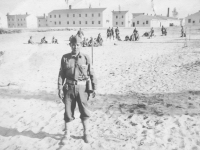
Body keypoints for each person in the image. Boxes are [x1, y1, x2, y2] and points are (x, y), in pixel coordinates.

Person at [58, 35, 97, 143]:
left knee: (84, 111)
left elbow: (91, 72)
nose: (75, 47)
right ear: (70, 45)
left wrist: (94, 87)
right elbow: (61, 74)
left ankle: (86, 133)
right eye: (73, 44)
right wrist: (60, 88)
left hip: (82, 89)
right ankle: (67, 134)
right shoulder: (65, 58)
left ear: (81, 45)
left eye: (78, 44)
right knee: (68, 112)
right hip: (69, 88)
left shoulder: (86, 57)